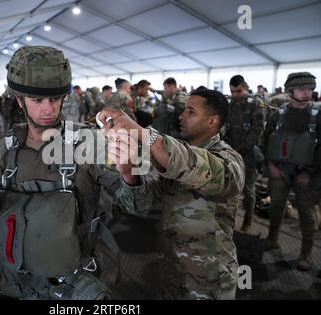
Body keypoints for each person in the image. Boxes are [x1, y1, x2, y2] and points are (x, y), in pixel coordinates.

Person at [0, 46, 123, 300]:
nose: (48, 109)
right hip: (18, 279)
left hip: (71, 279)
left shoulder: (87, 142)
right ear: (20, 101)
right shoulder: (7, 148)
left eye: (54, 99)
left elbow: (138, 201)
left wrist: (130, 173)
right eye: (37, 100)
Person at [99, 86, 245, 299]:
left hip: (210, 280)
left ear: (213, 121)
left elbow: (194, 164)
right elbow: (140, 206)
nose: (181, 116)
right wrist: (128, 172)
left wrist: (141, 133)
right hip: (172, 270)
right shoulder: (173, 160)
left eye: (191, 112)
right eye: (184, 110)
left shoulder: (229, 161)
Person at [263, 72, 321, 271]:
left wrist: (310, 173)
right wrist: (270, 165)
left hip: (308, 173)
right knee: (276, 206)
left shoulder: (318, 115)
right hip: (279, 169)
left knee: (306, 214)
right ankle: (272, 238)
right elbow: (265, 141)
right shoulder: (277, 115)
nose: (307, 93)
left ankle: (305, 254)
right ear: (290, 91)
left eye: (310, 89)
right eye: (302, 89)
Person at [224, 75, 265, 233]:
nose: (235, 95)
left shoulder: (256, 104)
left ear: (245, 87)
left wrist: (240, 150)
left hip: (248, 153)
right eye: (232, 91)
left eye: (238, 91)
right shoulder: (230, 104)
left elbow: (257, 130)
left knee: (248, 190)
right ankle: (228, 221)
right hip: (231, 151)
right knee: (229, 188)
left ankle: (247, 222)